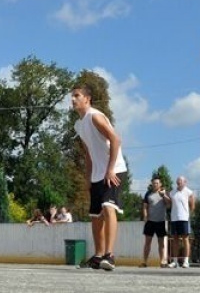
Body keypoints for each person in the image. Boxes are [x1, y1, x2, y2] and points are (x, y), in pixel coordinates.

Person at [71, 84, 127, 272]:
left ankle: (109, 256)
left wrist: (110, 170)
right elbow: (88, 153)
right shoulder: (79, 124)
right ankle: (98, 256)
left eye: (76, 96)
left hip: (114, 169)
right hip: (97, 173)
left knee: (108, 207)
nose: (73, 99)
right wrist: (88, 178)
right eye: (72, 96)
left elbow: (116, 139)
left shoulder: (95, 116)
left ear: (87, 99)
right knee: (95, 216)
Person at [166, 176, 197, 268]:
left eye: (180, 181)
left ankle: (186, 261)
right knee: (175, 240)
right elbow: (169, 203)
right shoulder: (172, 192)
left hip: (184, 219)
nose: (178, 183)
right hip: (174, 219)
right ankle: (175, 261)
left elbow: (192, 206)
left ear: (185, 182)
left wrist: (187, 215)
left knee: (185, 239)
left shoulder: (189, 192)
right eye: (177, 181)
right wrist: (164, 195)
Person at [140, 177, 170, 267]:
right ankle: (144, 262)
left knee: (161, 243)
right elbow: (145, 207)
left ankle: (162, 262)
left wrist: (163, 195)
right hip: (150, 222)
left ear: (160, 184)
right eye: (153, 183)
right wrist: (145, 216)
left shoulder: (164, 193)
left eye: (157, 183)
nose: (155, 184)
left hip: (160, 221)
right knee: (147, 243)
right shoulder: (148, 194)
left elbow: (169, 204)